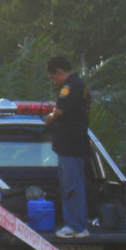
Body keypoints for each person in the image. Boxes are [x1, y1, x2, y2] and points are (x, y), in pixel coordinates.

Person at [44, 55, 91, 238]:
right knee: (71, 186)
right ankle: (75, 224)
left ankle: (76, 226)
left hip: (70, 145)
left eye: (52, 77)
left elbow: (60, 110)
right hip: (72, 144)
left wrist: (50, 117)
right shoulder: (80, 84)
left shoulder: (70, 86)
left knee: (72, 187)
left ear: (58, 72)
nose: (53, 81)